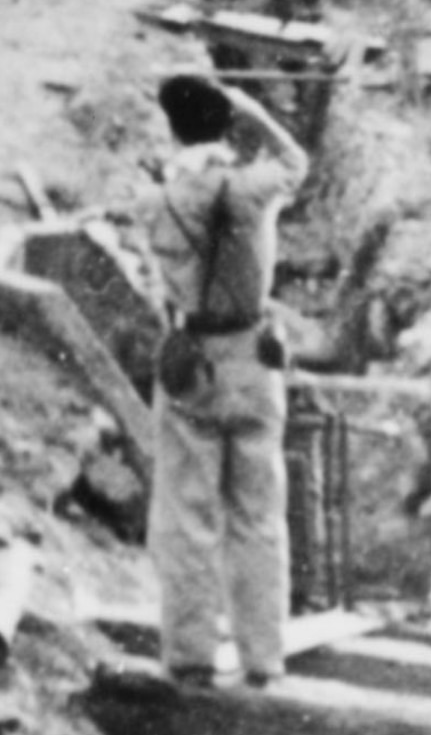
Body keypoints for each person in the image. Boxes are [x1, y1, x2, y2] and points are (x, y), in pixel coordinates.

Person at [145, 74, 309, 689]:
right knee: (260, 515)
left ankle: (189, 656)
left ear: (173, 127)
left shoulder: (161, 198)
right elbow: (296, 160)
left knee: (186, 514)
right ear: (226, 124)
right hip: (253, 355)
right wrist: (256, 115)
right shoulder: (254, 189)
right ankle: (263, 658)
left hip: (190, 356)